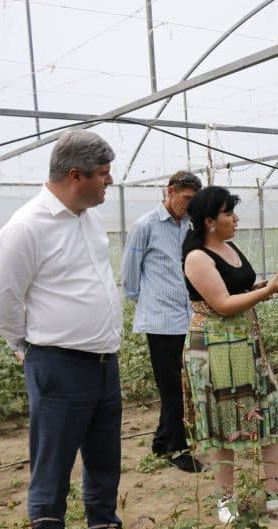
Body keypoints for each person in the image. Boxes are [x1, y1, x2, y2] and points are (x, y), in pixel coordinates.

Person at [0, 130, 161, 529]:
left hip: (103, 363)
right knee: (53, 471)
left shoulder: (88, 218)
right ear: (74, 175)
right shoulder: (28, 227)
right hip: (59, 365)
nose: (110, 182)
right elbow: (4, 304)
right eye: (103, 174)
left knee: (104, 462)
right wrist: (30, 349)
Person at [181, 186, 278, 525]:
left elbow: (234, 291)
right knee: (223, 421)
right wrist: (267, 291)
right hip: (215, 347)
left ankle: (276, 491)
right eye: (228, 213)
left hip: (244, 343)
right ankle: (226, 500)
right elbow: (221, 305)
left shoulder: (229, 247)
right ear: (209, 221)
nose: (236, 218)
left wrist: (259, 290)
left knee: (270, 409)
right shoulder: (197, 257)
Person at [121, 170, 205, 473]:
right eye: (185, 199)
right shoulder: (146, 226)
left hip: (186, 316)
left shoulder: (190, 227)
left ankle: (160, 441)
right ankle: (177, 449)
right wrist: (147, 303)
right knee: (171, 387)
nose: (189, 205)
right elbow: (130, 274)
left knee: (183, 383)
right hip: (160, 320)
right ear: (169, 192)